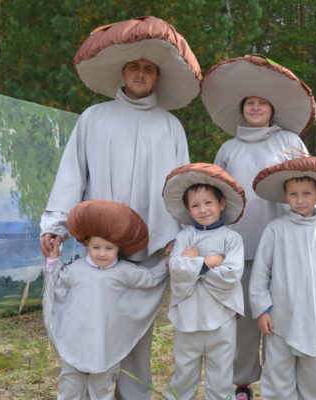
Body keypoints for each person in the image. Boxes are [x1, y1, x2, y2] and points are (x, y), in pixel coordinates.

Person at [39, 16, 201, 400]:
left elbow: (179, 187)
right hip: (101, 246)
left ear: (157, 77)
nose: (141, 73)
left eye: (149, 68)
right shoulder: (93, 118)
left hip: (150, 247)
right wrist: (56, 227)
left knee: (137, 327)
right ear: (122, 72)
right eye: (134, 66)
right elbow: (71, 175)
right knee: (94, 320)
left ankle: (132, 394)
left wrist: (175, 237)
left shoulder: (170, 126)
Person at [201, 54, 316, 400]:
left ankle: (285, 381)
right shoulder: (227, 149)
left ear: (272, 109)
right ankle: (242, 382)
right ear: (242, 109)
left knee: (281, 315)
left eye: (262, 103)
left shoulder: (289, 143)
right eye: (250, 103)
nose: (256, 108)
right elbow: (216, 196)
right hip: (240, 247)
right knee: (244, 319)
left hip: (284, 246)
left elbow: (311, 183)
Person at [249, 156, 316, 399]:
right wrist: (262, 310)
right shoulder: (275, 231)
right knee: (277, 376)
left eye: (306, 193)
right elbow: (260, 275)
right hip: (280, 319)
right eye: (293, 194)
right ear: (285, 196)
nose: (299, 200)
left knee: (314, 379)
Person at [42, 200, 169, 400]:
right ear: (87, 244)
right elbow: (56, 283)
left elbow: (150, 279)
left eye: (109, 248)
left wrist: (166, 263)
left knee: (102, 385)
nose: (102, 253)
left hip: (106, 341)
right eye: (96, 247)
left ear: (119, 248)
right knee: (70, 382)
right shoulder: (75, 270)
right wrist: (54, 258)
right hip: (76, 338)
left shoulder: (125, 272)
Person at [161, 163, 246, 400]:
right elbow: (176, 268)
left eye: (208, 202)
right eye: (195, 205)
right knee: (184, 369)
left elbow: (231, 275)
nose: (203, 209)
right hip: (189, 315)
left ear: (221, 204)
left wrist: (195, 265)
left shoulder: (232, 239)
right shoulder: (184, 236)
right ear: (188, 210)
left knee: (220, 371)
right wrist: (208, 261)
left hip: (222, 315)